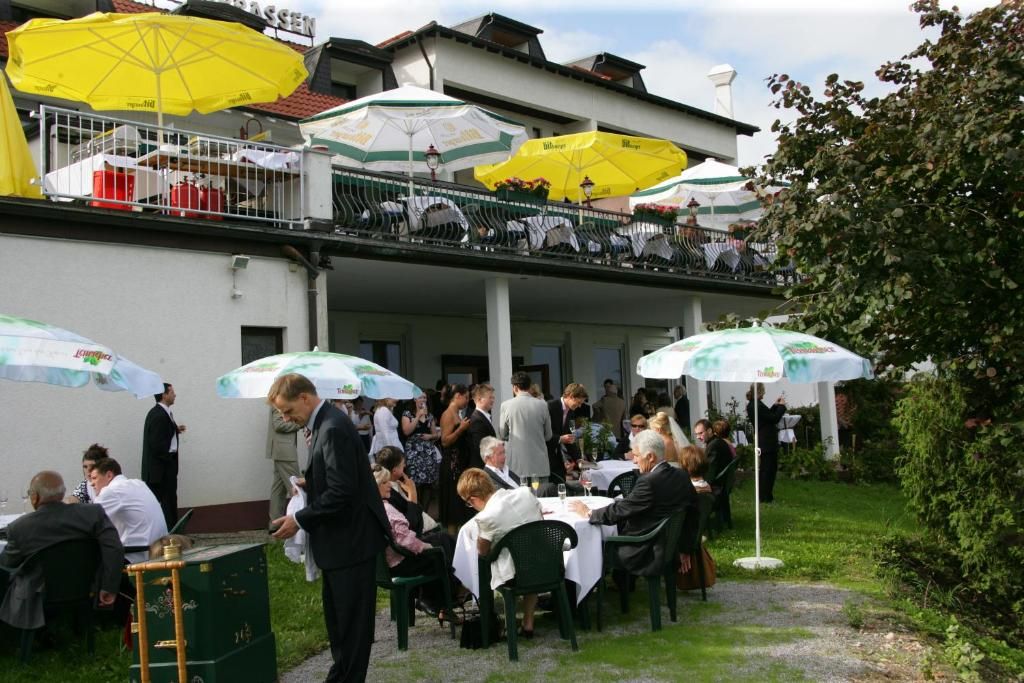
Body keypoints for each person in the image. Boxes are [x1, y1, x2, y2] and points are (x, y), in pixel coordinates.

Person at [269, 373, 389, 683]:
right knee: (341, 626)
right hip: (343, 544)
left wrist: (299, 518)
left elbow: (342, 493)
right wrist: (310, 484)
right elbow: (339, 479)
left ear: (305, 398)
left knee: (350, 630)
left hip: (351, 543)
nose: (285, 418)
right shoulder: (325, 424)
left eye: (287, 410)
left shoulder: (332, 427)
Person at [0, 471, 124, 630]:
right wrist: (109, 587)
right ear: (62, 493)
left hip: (38, 594)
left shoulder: (20, 528)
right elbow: (114, 548)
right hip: (84, 586)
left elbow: (8, 562)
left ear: (34, 497)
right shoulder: (93, 514)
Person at [569, 429, 696, 575]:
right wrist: (686, 549)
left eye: (636, 455)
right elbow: (694, 513)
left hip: (645, 551)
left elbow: (622, 510)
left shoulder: (649, 482)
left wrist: (589, 512)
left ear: (650, 457)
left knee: (593, 547)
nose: (634, 460)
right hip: (670, 547)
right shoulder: (682, 475)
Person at [457, 468, 544, 638]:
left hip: (517, 576)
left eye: (469, 503)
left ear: (473, 499)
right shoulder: (525, 493)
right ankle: (528, 623)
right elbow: (541, 520)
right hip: (545, 564)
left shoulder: (486, 517)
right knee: (527, 555)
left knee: (501, 563)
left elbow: (482, 552)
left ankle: (500, 623)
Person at [372, 464, 460, 622]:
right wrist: (426, 547)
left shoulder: (372, 508)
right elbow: (405, 540)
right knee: (438, 556)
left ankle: (446, 597)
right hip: (399, 563)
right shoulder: (386, 509)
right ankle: (445, 602)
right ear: (376, 486)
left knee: (441, 542)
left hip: (386, 564)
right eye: (385, 483)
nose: (389, 486)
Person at [90, 457, 168, 564]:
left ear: (109, 475)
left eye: (94, 478)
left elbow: (89, 521)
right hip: (160, 550)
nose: (91, 484)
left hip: (137, 556)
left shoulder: (112, 491)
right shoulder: (139, 484)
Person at [142, 382, 186, 530]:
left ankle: (171, 532)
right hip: (161, 470)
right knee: (167, 502)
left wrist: (175, 429)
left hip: (163, 467)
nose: (175, 394)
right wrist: (169, 460)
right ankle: (171, 534)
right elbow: (156, 445)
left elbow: (161, 433)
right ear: (164, 395)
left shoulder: (163, 413)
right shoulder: (159, 415)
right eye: (172, 392)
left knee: (169, 501)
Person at [375, 446, 440, 539]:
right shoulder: (388, 493)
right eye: (402, 464)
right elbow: (411, 526)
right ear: (394, 470)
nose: (405, 466)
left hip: (426, 529)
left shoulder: (399, 483)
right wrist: (412, 493)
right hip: (418, 538)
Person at [498, 371, 553, 481]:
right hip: (539, 464)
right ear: (529, 386)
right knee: (540, 497)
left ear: (515, 387)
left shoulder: (506, 405)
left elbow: (502, 434)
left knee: (518, 497)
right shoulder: (542, 404)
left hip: (516, 464)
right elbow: (548, 435)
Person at [399, 395, 441, 514]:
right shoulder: (407, 414)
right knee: (415, 482)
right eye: (420, 397)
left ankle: (425, 513)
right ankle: (415, 511)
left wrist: (430, 436)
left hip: (427, 452)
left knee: (428, 484)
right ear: (415, 399)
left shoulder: (430, 416)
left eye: (425, 398)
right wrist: (418, 416)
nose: (423, 400)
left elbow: (436, 434)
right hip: (413, 451)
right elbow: (406, 431)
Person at [438, 384, 473, 529]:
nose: (467, 401)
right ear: (457, 396)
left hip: (458, 465)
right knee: (453, 510)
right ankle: (452, 545)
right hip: (451, 466)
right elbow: (445, 441)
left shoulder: (456, 412)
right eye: (466, 397)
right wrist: (461, 429)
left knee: (458, 508)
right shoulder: (447, 414)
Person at [747, 384, 786, 503]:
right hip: (766, 440)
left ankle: (765, 495)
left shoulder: (754, 404)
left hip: (764, 440)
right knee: (768, 469)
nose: (764, 394)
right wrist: (781, 407)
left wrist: (775, 406)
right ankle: (765, 496)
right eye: (763, 392)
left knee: (767, 468)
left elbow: (767, 415)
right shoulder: (756, 405)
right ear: (759, 392)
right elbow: (774, 419)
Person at [479, 436, 557, 496]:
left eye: (504, 452)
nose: (504, 456)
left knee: (551, 487)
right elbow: (503, 496)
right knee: (549, 489)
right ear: (487, 458)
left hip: (524, 494)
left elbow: (521, 484)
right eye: (500, 454)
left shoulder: (504, 469)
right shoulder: (486, 477)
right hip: (517, 499)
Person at [266, 406, 300, 523]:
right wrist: (298, 424)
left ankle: (275, 523)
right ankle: (299, 522)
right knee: (296, 486)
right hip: (285, 451)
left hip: (282, 450)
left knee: (278, 489)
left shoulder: (282, 402)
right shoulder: (279, 403)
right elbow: (279, 425)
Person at [546, 383, 587, 479]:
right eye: (578, 402)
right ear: (571, 396)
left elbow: (569, 439)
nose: (580, 406)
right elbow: (542, 433)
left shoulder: (571, 412)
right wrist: (560, 439)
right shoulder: (550, 406)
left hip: (557, 457)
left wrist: (578, 459)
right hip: (544, 456)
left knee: (561, 484)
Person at [466, 383, 497, 470]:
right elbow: (480, 448)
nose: (493, 400)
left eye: (493, 397)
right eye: (490, 397)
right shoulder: (477, 420)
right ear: (480, 399)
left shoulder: (482, 417)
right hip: (481, 468)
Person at [705, 420, 737, 489]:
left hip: (719, 482)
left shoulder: (717, 445)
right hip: (727, 479)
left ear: (715, 433)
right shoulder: (729, 444)